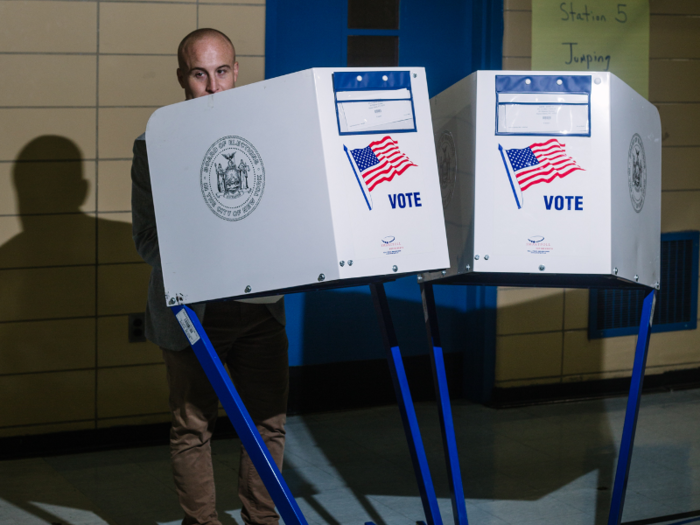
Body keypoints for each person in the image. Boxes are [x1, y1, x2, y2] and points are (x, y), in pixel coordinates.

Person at [131, 28, 289, 525]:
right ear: (182, 77)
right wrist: (203, 256)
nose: (214, 86)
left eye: (222, 71)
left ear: (236, 72)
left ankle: (262, 520)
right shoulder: (152, 145)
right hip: (193, 313)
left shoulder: (267, 135)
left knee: (268, 426)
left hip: (261, 308)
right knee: (193, 428)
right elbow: (147, 239)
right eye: (200, 74)